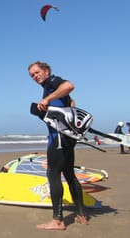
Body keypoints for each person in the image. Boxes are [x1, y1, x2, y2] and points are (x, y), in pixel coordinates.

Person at [28, 61, 88, 230]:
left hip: (59, 139)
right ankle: (82, 215)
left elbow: (69, 85)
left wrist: (47, 99)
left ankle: (58, 220)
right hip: (67, 139)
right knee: (69, 175)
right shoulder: (50, 86)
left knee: (53, 174)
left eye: (37, 72)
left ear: (46, 71)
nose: (35, 76)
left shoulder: (52, 82)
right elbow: (71, 102)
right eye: (32, 75)